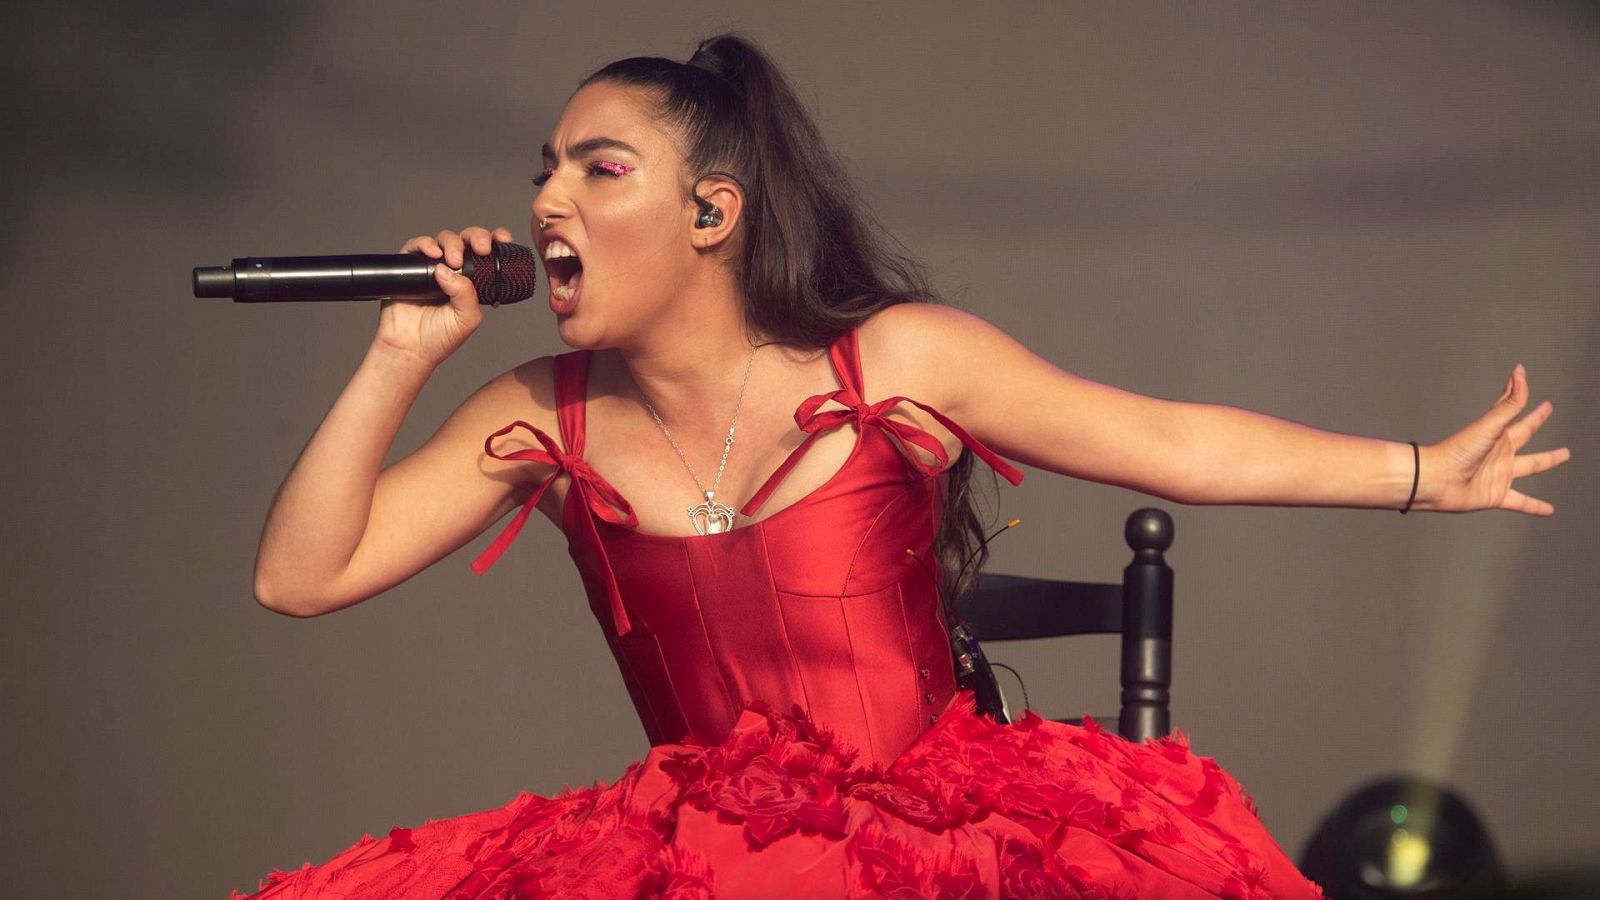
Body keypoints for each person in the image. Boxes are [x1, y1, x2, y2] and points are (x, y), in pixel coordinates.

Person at [237, 33, 1569, 900]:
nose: (547, 204)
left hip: (935, 851)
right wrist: (402, 354)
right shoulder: (541, 412)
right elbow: (302, 578)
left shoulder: (898, 364)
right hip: (699, 865)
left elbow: (1171, 443)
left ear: (711, 212)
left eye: (599, 168)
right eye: (545, 173)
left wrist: (1422, 472)